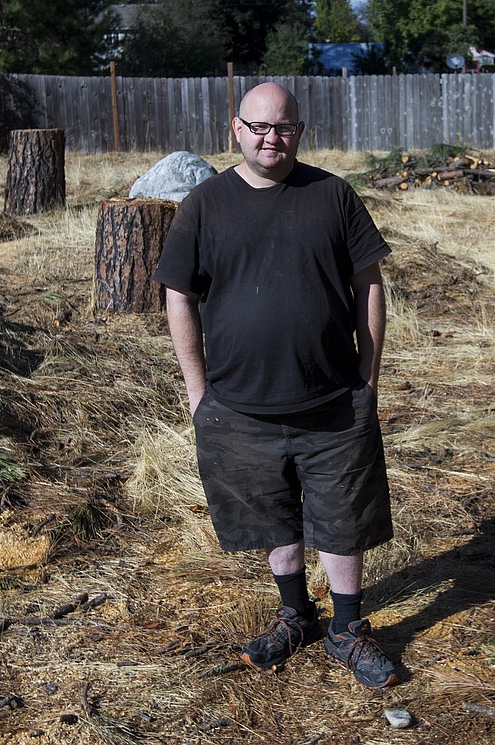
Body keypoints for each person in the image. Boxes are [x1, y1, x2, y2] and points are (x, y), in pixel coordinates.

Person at [153, 81, 398, 689]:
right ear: (236, 129)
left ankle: (346, 628)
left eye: (283, 127)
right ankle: (295, 617)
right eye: (259, 127)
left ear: (300, 132)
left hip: (334, 399)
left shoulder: (332, 195)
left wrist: (368, 374)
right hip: (238, 407)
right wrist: (197, 391)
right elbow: (177, 294)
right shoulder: (204, 205)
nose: (271, 139)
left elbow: (368, 283)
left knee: (343, 517)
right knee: (272, 519)